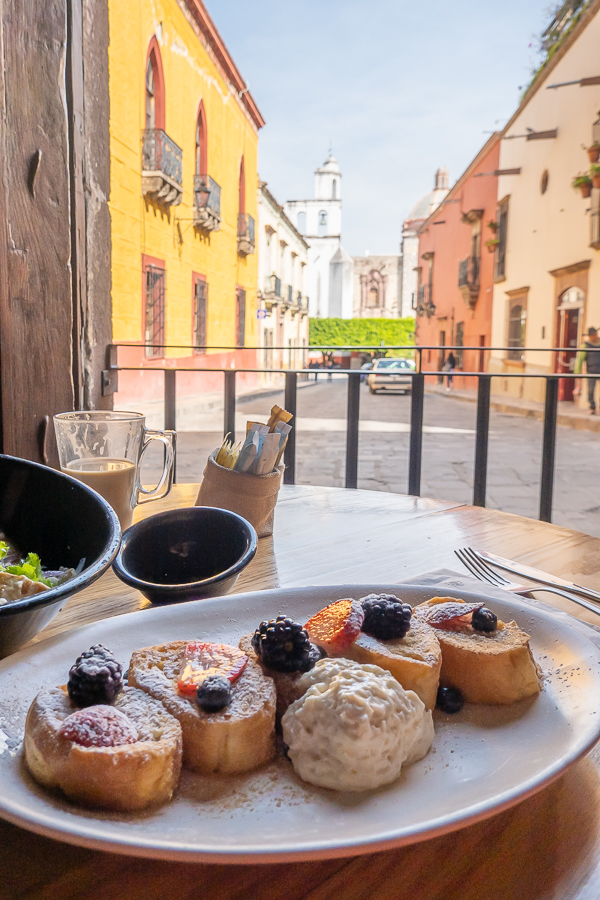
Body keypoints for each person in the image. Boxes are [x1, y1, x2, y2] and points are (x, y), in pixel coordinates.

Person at [575, 326, 600, 413]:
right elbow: (580, 359)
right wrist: (577, 372)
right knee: (591, 390)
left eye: (595, 335)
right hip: (591, 371)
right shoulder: (585, 345)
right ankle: (592, 406)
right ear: (590, 336)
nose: (595, 337)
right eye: (593, 335)